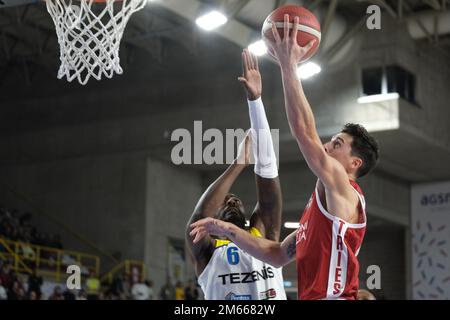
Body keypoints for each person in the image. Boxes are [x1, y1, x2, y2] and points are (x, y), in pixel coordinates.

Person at [190, 15, 379, 300]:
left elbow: (304, 132)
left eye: (337, 144)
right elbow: (276, 255)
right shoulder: (319, 213)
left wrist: (288, 64)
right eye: (330, 141)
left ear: (355, 164)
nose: (327, 147)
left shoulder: (345, 186)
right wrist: (224, 228)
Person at [186, 50, 286, 301]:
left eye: (235, 201)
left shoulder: (260, 236)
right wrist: (239, 163)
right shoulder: (207, 250)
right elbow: (198, 220)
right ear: (214, 222)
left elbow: (268, 181)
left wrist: (256, 102)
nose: (231, 201)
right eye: (226, 202)